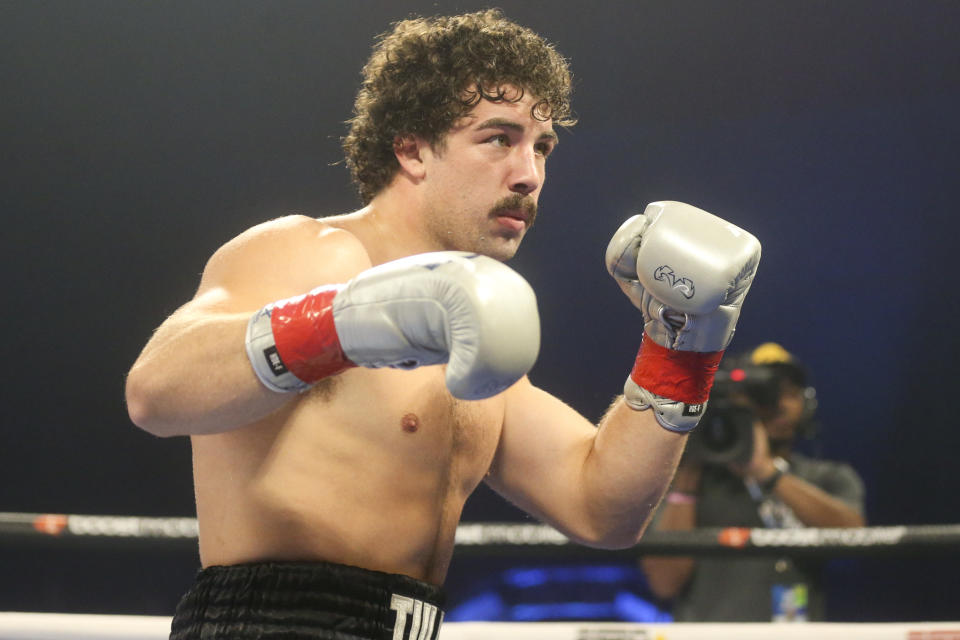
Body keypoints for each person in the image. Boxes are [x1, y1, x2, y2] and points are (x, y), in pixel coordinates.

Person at [124, 10, 761, 640]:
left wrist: (680, 353)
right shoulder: (316, 253)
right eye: (498, 139)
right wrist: (341, 324)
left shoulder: (470, 330)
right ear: (412, 149)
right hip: (276, 619)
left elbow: (601, 509)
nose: (529, 174)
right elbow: (155, 391)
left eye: (541, 147)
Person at [640, 342, 866, 622]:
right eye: (764, 396)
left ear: (805, 404)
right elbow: (664, 583)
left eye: (788, 394)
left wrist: (767, 473)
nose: (777, 404)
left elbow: (857, 540)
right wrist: (688, 473)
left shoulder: (826, 478)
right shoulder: (689, 482)